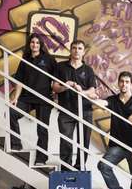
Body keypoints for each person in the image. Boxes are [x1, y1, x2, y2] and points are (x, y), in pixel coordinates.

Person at [10, 33, 57, 165]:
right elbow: (19, 81)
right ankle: (16, 144)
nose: (34, 45)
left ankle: (41, 159)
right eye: (32, 42)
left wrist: (55, 93)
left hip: (44, 98)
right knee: (11, 113)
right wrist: (15, 98)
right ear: (29, 44)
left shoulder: (48, 59)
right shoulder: (25, 59)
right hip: (27, 97)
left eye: (37, 42)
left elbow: (57, 79)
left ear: (41, 45)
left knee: (42, 129)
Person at [97, 71, 132, 189]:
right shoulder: (112, 100)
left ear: (131, 84)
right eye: (122, 81)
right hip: (118, 145)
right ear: (118, 83)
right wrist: (93, 99)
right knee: (103, 165)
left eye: (127, 82)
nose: (124, 84)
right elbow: (102, 103)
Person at [53, 40, 97, 170]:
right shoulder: (60, 67)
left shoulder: (88, 70)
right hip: (66, 110)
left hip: (85, 110)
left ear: (83, 52)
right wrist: (66, 86)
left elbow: (92, 90)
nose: (76, 50)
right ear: (70, 50)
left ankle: (79, 167)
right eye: (74, 48)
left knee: (84, 142)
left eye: (79, 48)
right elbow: (55, 87)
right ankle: (66, 168)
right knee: (66, 141)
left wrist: (82, 92)